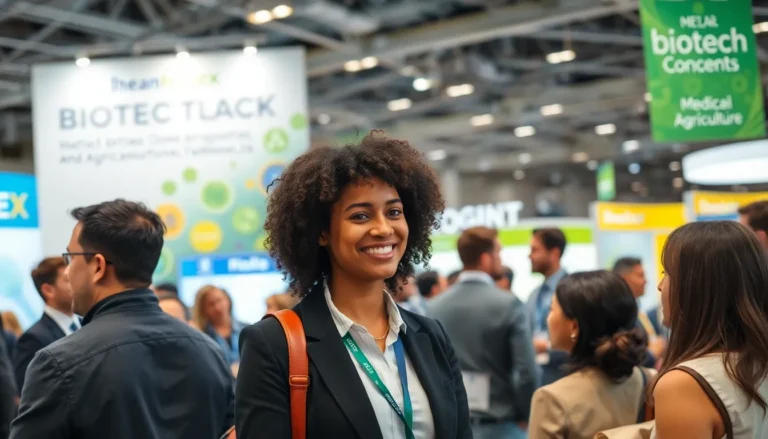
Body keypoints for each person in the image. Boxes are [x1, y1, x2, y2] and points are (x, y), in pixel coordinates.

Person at [236, 132, 471, 439]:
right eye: (360, 216)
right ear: (322, 232)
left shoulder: (430, 336)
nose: (383, 229)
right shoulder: (273, 344)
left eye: (394, 212)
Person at [10, 199, 234, 439]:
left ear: (98, 266)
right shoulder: (209, 351)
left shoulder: (59, 364)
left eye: (71, 258)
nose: (68, 271)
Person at [651, 221, 768, 439]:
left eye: (667, 272)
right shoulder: (757, 363)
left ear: (696, 287)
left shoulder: (684, 384)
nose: (660, 285)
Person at [429, 226, 537, 439]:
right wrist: (527, 414)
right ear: (486, 259)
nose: (501, 260)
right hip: (501, 426)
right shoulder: (509, 304)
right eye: (498, 253)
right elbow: (526, 372)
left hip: (452, 426)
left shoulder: (434, 307)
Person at [528, 271, 650, 439]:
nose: (548, 319)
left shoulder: (551, 400)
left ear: (574, 327)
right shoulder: (650, 380)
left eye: (551, 310)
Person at [13, 257, 78, 393]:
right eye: (68, 280)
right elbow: (28, 392)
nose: (78, 284)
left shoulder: (89, 324)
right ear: (48, 290)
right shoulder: (33, 339)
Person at [526, 227, 569, 386]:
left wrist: (548, 347)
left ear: (554, 253)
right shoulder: (534, 295)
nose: (529, 256)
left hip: (566, 378)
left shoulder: (574, 290)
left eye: (535, 250)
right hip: (538, 380)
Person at [612, 257, 666, 363]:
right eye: (640, 275)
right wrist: (651, 355)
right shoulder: (619, 314)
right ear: (623, 279)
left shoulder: (637, 310)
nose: (645, 281)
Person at [193, 285, 247, 366]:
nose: (217, 308)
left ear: (228, 300)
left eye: (219, 300)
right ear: (203, 310)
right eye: (211, 304)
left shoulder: (247, 329)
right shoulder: (202, 338)